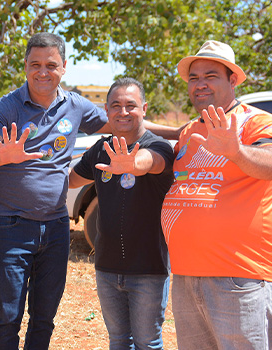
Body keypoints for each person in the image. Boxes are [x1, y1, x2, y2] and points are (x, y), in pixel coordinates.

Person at [0, 32, 179, 349]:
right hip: (11, 224)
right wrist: (2, 156)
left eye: (51, 65)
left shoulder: (75, 105)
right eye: (35, 64)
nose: (43, 72)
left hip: (56, 227)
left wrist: (178, 131)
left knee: (44, 317)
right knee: (8, 315)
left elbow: (121, 121)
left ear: (64, 67)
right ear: (25, 65)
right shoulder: (6, 107)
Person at [161, 40, 272, 349]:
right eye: (194, 78)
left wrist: (236, 152)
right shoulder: (190, 130)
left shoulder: (256, 122)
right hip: (185, 276)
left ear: (232, 79)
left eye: (211, 75)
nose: (200, 84)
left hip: (238, 277)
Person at [69, 78, 174, 349]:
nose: (123, 112)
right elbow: (69, 181)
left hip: (149, 270)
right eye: (116, 105)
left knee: (147, 343)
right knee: (118, 341)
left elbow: (151, 162)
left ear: (144, 108)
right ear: (106, 110)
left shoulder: (159, 146)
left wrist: (132, 163)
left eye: (131, 105)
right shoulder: (100, 149)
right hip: (106, 268)